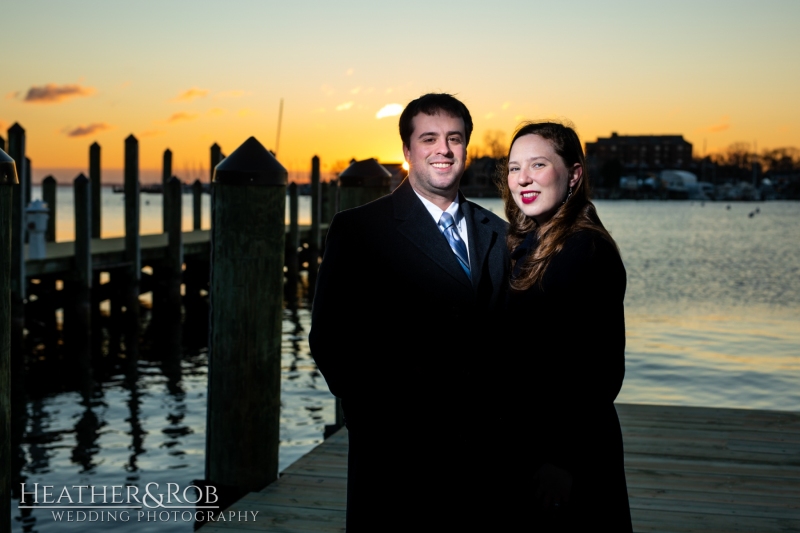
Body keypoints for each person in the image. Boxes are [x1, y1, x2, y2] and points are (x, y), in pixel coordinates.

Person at [309, 93, 509, 531]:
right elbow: (330, 340)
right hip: (395, 457)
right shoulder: (360, 230)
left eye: (455, 138)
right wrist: (380, 419)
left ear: (466, 150)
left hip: (484, 459)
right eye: (429, 138)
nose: (444, 149)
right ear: (407, 151)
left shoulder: (499, 234)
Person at [499, 121, 632, 531]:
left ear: (573, 174)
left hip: (565, 457)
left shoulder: (584, 249)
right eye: (514, 167)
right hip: (528, 446)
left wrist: (563, 461)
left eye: (538, 165)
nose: (523, 178)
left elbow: (598, 369)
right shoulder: (530, 242)